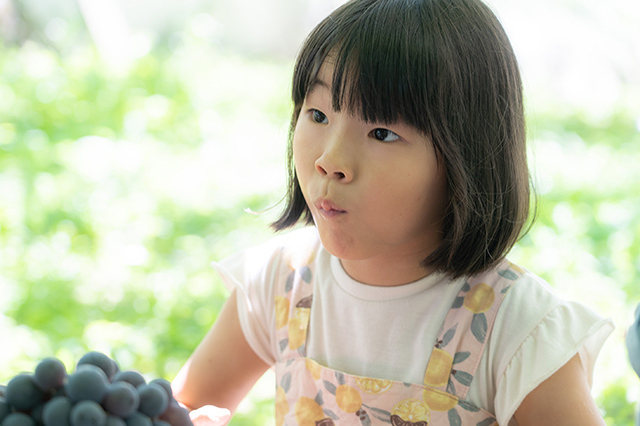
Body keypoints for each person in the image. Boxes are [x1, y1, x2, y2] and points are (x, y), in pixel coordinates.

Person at [171, 0, 614, 424]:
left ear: (468, 157)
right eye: (319, 114)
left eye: (381, 132)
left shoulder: (516, 329)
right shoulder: (283, 282)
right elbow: (180, 407)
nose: (331, 159)